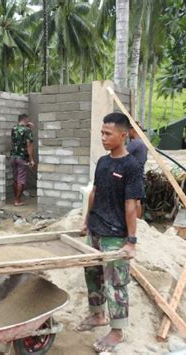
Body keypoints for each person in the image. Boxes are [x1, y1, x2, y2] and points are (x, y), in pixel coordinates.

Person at [77, 112, 144, 352]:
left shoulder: (131, 166)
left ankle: (117, 331)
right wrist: (86, 220)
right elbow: (94, 192)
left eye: (108, 134)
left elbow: (131, 205)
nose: (103, 138)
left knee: (115, 283)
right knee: (92, 275)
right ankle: (97, 316)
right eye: (102, 133)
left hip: (115, 235)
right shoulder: (103, 162)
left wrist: (131, 242)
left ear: (123, 135)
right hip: (95, 229)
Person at [10, 113, 35, 206]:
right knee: (21, 180)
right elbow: (29, 145)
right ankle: (17, 201)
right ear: (25, 119)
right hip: (22, 158)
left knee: (15, 179)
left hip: (13, 157)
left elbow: (15, 139)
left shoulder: (14, 128)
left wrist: (27, 125)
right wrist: (31, 159)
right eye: (27, 120)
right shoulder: (27, 130)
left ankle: (15, 199)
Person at [127, 122, 148, 218]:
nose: (128, 133)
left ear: (133, 130)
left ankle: (136, 222)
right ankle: (138, 223)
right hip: (139, 174)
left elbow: (122, 155)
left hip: (133, 176)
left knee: (134, 201)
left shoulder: (135, 143)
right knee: (137, 200)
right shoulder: (142, 143)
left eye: (128, 130)